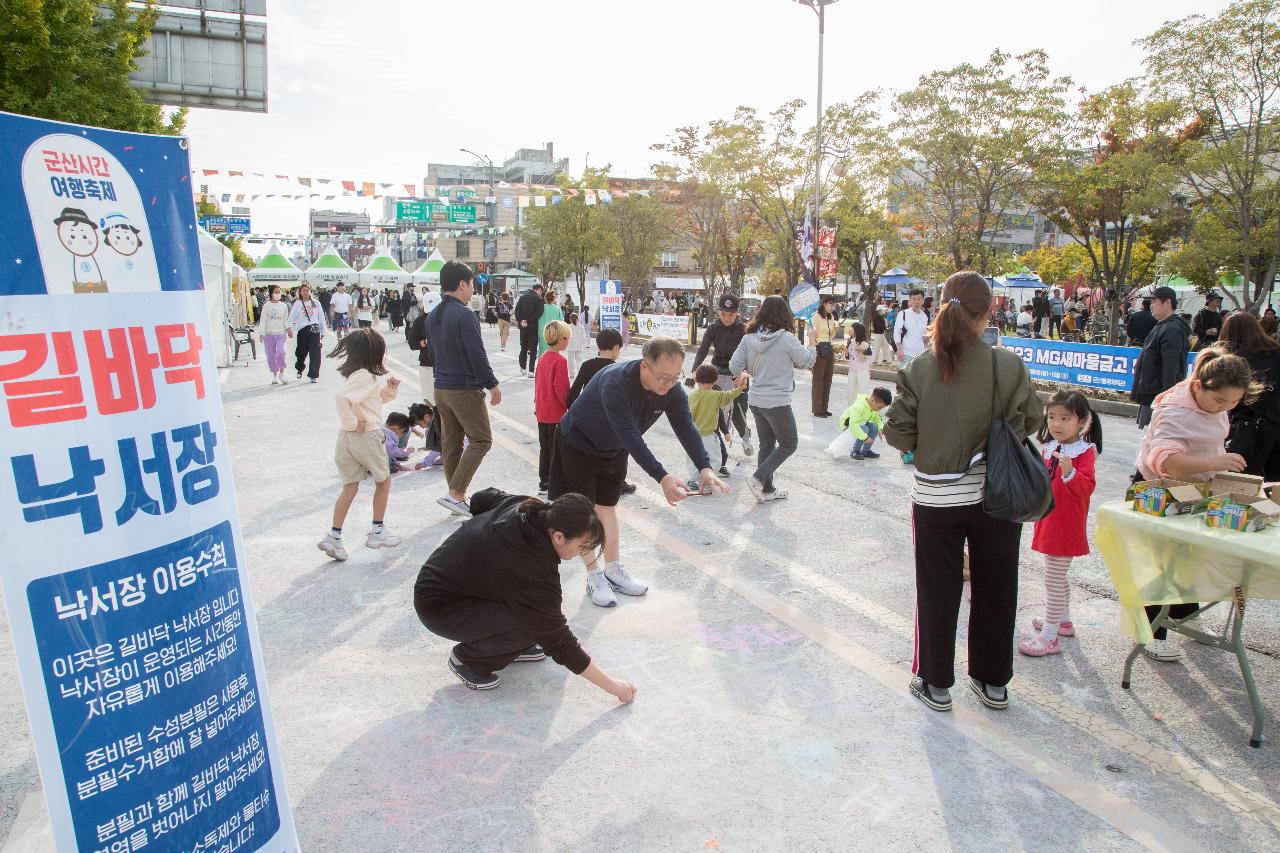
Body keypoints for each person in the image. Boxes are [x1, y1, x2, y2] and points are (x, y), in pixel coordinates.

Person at [883, 271, 1044, 713]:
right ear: (988, 311)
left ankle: (935, 683)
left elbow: (898, 434)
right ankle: (993, 683)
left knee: (937, 589)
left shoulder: (918, 368)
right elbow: (1032, 420)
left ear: (939, 307)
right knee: (997, 588)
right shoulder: (1007, 364)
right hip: (998, 495)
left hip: (937, 499)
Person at [550, 337, 728, 607]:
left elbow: (686, 427)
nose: (668, 385)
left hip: (614, 449)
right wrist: (662, 477)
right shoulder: (616, 383)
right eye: (663, 378)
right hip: (578, 444)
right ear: (644, 366)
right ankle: (594, 575)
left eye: (675, 378)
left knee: (607, 508)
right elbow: (631, 436)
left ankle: (613, 569)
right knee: (584, 513)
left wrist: (704, 467)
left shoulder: (671, 389)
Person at [413, 488, 636, 700]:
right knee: (535, 623)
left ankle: (511, 646)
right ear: (558, 536)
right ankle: (468, 660)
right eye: (582, 545)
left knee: (535, 620)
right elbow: (557, 638)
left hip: (455, 586)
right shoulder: (532, 566)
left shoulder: (530, 508)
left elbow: (482, 498)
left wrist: (480, 544)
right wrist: (613, 686)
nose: (584, 552)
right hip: (439, 607)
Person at [1136, 346, 1256, 661]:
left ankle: (1183, 614)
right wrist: (1217, 461)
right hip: (1160, 489)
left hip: (1196, 488)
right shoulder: (1175, 409)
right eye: (1220, 401)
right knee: (1161, 563)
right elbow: (1166, 462)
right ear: (1199, 386)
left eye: (1233, 402)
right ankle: (1151, 631)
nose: (1225, 408)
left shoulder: (1214, 401)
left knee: (1189, 556)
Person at [1017, 391, 1103, 657]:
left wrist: (1070, 472)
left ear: (1082, 422)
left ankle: (1049, 635)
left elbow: (1086, 487)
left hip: (1065, 525)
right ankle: (1063, 621)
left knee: (1053, 580)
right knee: (1057, 577)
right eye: (1052, 417)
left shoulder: (1084, 452)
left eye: (1065, 418)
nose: (1056, 424)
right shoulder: (1050, 447)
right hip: (1050, 519)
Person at [316, 329, 402, 561]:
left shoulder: (357, 374)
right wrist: (354, 424)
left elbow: (372, 400)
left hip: (346, 440)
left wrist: (390, 389)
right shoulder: (366, 375)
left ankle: (334, 536)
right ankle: (377, 531)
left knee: (350, 486)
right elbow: (342, 399)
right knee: (383, 482)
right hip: (366, 437)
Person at [427, 261, 503, 518]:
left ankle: (454, 495)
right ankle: (456, 493)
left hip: (441, 388)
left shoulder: (434, 314)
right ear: (462, 284)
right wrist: (492, 384)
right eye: (471, 284)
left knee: (452, 444)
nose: (472, 289)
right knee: (481, 439)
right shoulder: (464, 314)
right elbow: (476, 354)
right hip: (464, 388)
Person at [730, 295, 817, 502]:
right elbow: (806, 361)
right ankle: (759, 478)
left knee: (767, 446)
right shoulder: (786, 338)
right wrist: (812, 342)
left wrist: (745, 374)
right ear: (784, 314)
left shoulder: (748, 337)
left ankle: (767, 490)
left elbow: (734, 366)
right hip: (777, 401)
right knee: (789, 444)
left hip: (756, 400)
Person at [692, 293, 754, 465]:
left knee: (738, 411)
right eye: (724, 314)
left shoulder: (743, 329)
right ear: (718, 312)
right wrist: (694, 370)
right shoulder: (713, 328)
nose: (727, 318)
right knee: (715, 410)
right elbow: (702, 350)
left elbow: (750, 355)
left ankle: (745, 436)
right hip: (717, 371)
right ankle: (719, 450)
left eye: (731, 315)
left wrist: (745, 374)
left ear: (737, 314)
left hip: (738, 371)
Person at [1220, 312, 1280, 480]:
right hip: (1275, 425)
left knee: (1243, 483)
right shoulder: (1276, 352)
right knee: (1274, 487)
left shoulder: (1238, 359)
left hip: (1249, 427)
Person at [1132, 286, 1192, 428]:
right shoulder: (1163, 325)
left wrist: (1165, 399)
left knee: (1155, 440)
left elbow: (1171, 367)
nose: (1151, 305)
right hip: (1151, 394)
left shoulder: (1171, 329)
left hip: (1158, 396)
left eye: (1155, 301)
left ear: (1168, 302)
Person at [686, 364, 744, 489]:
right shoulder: (716, 395)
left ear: (696, 380)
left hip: (692, 436)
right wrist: (741, 387)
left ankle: (693, 480)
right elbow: (729, 395)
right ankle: (707, 481)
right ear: (715, 381)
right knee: (714, 459)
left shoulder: (691, 396)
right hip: (708, 435)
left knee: (693, 459)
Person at [535, 321, 572, 494]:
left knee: (545, 448)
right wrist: (571, 405)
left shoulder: (542, 357)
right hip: (556, 412)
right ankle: (554, 483)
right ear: (561, 339)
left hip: (542, 410)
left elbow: (538, 384)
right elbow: (561, 389)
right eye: (567, 338)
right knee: (556, 450)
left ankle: (544, 482)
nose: (568, 341)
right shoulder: (560, 361)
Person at [566, 327, 623, 409]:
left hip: (588, 411)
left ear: (598, 345)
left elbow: (574, 391)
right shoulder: (618, 370)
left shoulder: (587, 365)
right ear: (616, 347)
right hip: (607, 416)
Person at [288, 283, 326, 383]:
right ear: (300, 292)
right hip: (302, 330)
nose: (305, 292)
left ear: (310, 291)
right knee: (301, 353)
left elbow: (321, 317)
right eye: (303, 290)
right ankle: (300, 368)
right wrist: (289, 328)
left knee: (315, 353)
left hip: (314, 330)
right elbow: (291, 317)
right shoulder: (298, 303)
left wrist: (323, 331)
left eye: (307, 290)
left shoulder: (316, 302)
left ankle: (313, 375)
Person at [840, 387, 891, 461]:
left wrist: (880, 429)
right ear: (873, 400)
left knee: (874, 426)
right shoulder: (859, 406)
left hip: (861, 423)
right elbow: (853, 424)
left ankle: (865, 451)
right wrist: (865, 438)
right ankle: (855, 451)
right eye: (880, 407)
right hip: (847, 424)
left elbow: (878, 419)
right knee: (865, 429)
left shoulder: (873, 406)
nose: (880, 409)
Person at [255, 284, 292, 385]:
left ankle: (282, 373)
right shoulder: (267, 305)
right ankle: (275, 375)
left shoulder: (283, 305)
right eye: (276, 292)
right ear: (271, 293)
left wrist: (288, 329)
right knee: (270, 355)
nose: (278, 294)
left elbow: (285, 319)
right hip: (269, 334)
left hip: (281, 333)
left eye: (279, 292)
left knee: (281, 352)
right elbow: (263, 320)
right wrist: (261, 333)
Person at [809, 297, 839, 417]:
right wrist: (813, 344)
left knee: (828, 379)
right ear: (824, 304)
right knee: (818, 379)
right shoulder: (816, 315)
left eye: (834, 305)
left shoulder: (831, 317)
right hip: (818, 347)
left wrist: (835, 329)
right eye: (831, 304)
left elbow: (830, 335)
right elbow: (811, 331)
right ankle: (817, 409)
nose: (833, 307)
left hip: (828, 347)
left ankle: (824, 407)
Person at [406, 301, 436, 405]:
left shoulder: (448, 319)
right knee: (429, 400)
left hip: (447, 367)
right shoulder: (420, 321)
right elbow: (412, 343)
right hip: (427, 365)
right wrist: (425, 342)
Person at [515, 282, 545, 376]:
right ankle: (531, 370)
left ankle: (522, 367)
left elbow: (517, 311)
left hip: (523, 327)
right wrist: (529, 321)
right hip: (533, 327)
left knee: (523, 347)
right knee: (533, 349)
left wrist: (521, 321)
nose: (541, 293)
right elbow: (539, 313)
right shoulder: (539, 300)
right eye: (541, 291)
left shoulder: (522, 298)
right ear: (539, 289)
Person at [895, 289, 929, 364]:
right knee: (904, 376)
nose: (916, 302)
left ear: (923, 301)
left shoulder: (924, 317)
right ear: (909, 301)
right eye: (914, 299)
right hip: (905, 354)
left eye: (919, 299)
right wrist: (899, 349)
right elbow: (897, 332)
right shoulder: (903, 313)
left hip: (919, 355)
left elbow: (923, 335)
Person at [407, 402, 443, 469]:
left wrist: (425, 463)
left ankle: (445, 458)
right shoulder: (437, 419)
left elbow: (437, 447)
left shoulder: (437, 425)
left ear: (426, 417)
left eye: (420, 424)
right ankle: (444, 457)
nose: (421, 427)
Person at [846, 321, 873, 406]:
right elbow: (850, 356)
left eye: (852, 328)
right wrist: (846, 354)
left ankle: (864, 410)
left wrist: (861, 350)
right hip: (852, 369)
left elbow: (869, 353)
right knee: (851, 391)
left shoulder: (863, 342)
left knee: (863, 391)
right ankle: (850, 411)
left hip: (862, 370)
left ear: (856, 331)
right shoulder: (850, 341)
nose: (849, 329)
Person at [537, 288, 565, 357]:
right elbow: (561, 322)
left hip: (542, 333)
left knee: (542, 353)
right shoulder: (557, 309)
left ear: (545, 298)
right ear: (554, 299)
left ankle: (542, 367)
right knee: (554, 354)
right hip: (554, 334)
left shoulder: (541, 307)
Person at [566, 311, 587, 376]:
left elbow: (566, 336)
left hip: (570, 346)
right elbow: (584, 336)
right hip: (579, 346)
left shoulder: (568, 326)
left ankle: (571, 374)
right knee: (579, 360)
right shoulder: (581, 326)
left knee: (570, 361)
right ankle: (579, 373)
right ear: (578, 319)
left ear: (570, 319)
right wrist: (583, 343)